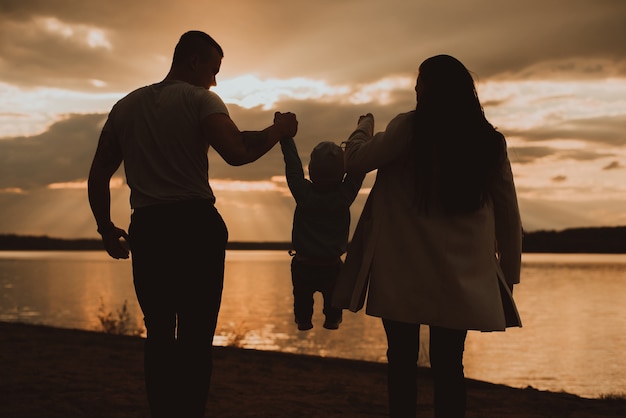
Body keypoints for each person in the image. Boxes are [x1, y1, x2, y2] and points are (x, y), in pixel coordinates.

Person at [87, 30, 297, 418]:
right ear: (194, 61)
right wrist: (279, 131)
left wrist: (105, 228)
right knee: (196, 340)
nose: (216, 80)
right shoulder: (202, 99)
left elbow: (98, 176)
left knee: (159, 335)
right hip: (195, 228)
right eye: (214, 70)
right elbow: (237, 150)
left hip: (148, 229)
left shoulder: (124, 107)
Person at [332, 55, 522, 417]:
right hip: (462, 276)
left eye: (420, 81)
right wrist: (509, 275)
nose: (415, 88)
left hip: (403, 270)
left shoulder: (409, 128)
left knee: (401, 361)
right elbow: (509, 214)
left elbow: (354, 160)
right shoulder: (489, 142)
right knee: (450, 365)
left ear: (431, 87)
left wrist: (363, 127)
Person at [280, 137, 365, 331]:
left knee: (301, 300)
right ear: (341, 172)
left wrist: (286, 139)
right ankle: (332, 320)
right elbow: (358, 171)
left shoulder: (303, 193)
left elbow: (293, 166)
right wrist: (359, 139)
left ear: (311, 170)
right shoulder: (344, 196)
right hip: (331, 265)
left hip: (303, 264)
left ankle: (303, 321)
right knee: (334, 302)